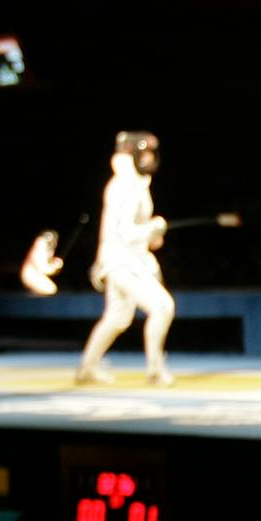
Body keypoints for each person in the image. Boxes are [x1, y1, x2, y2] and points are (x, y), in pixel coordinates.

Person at [76, 131, 176, 387]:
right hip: (122, 262)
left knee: (117, 318)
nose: (150, 158)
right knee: (163, 307)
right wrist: (153, 228)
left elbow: (136, 231)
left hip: (125, 260)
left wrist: (152, 235)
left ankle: (87, 368)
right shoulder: (122, 187)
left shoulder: (137, 185)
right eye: (145, 153)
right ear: (132, 155)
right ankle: (155, 371)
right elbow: (125, 233)